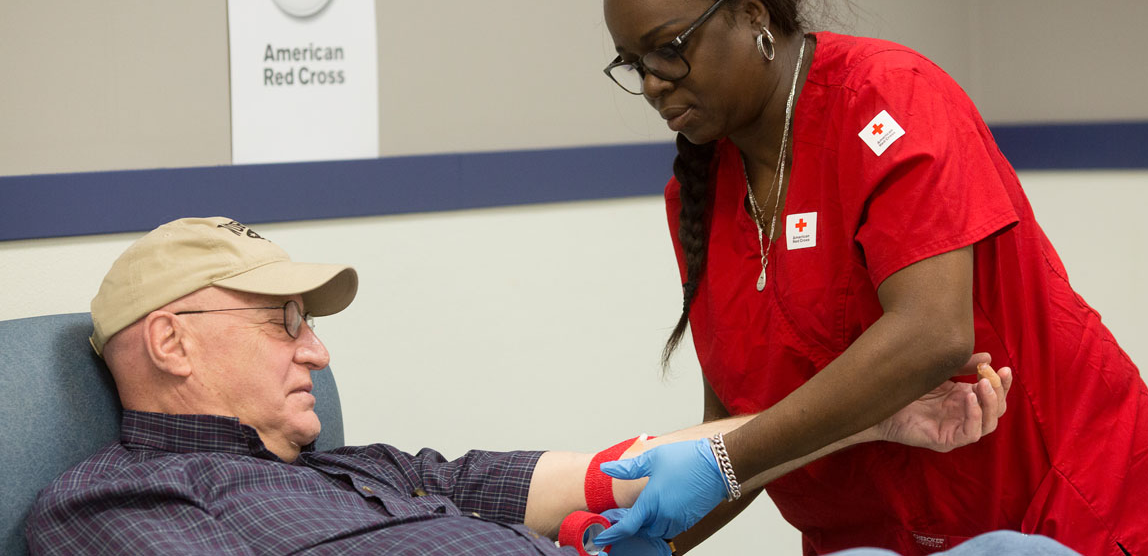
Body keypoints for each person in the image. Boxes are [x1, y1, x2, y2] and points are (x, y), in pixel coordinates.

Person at [593, 0, 1148, 555]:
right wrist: (644, 541)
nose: (653, 84)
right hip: (873, 537)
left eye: (668, 49)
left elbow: (932, 334)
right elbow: (742, 426)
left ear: (753, 15)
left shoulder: (886, 98)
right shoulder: (699, 194)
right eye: (634, 64)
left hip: (1058, 508)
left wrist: (724, 458)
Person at [25, 216, 1018, 556]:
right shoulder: (118, 501)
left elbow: (624, 477)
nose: (318, 356)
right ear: (172, 343)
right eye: (284, 323)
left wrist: (872, 419)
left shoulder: (373, 470)